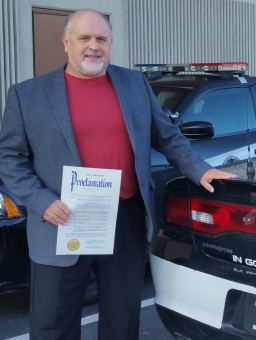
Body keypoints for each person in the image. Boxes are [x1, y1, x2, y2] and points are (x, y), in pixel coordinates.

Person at [0, 9, 237, 340]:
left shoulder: (134, 84)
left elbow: (166, 135)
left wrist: (200, 170)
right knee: (53, 324)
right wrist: (41, 201)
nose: (93, 46)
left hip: (123, 219)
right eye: (84, 38)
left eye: (101, 39)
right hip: (62, 219)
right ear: (65, 42)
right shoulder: (28, 95)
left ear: (111, 43)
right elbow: (9, 157)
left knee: (122, 319)